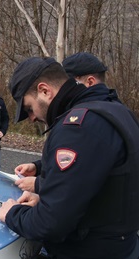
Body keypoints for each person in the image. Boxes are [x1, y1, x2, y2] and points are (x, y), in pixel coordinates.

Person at [0, 57, 139, 259]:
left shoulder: (77, 128)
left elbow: (50, 224)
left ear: (44, 91)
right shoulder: (113, 109)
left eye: (29, 108)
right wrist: (48, 191)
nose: (32, 117)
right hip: (122, 255)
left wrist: (12, 213)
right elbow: (96, 181)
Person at [14, 52, 121, 193]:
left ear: (89, 82)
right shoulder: (114, 110)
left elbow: (77, 187)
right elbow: (86, 159)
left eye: (70, 81)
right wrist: (39, 167)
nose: (65, 87)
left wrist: (40, 185)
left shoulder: (87, 121)